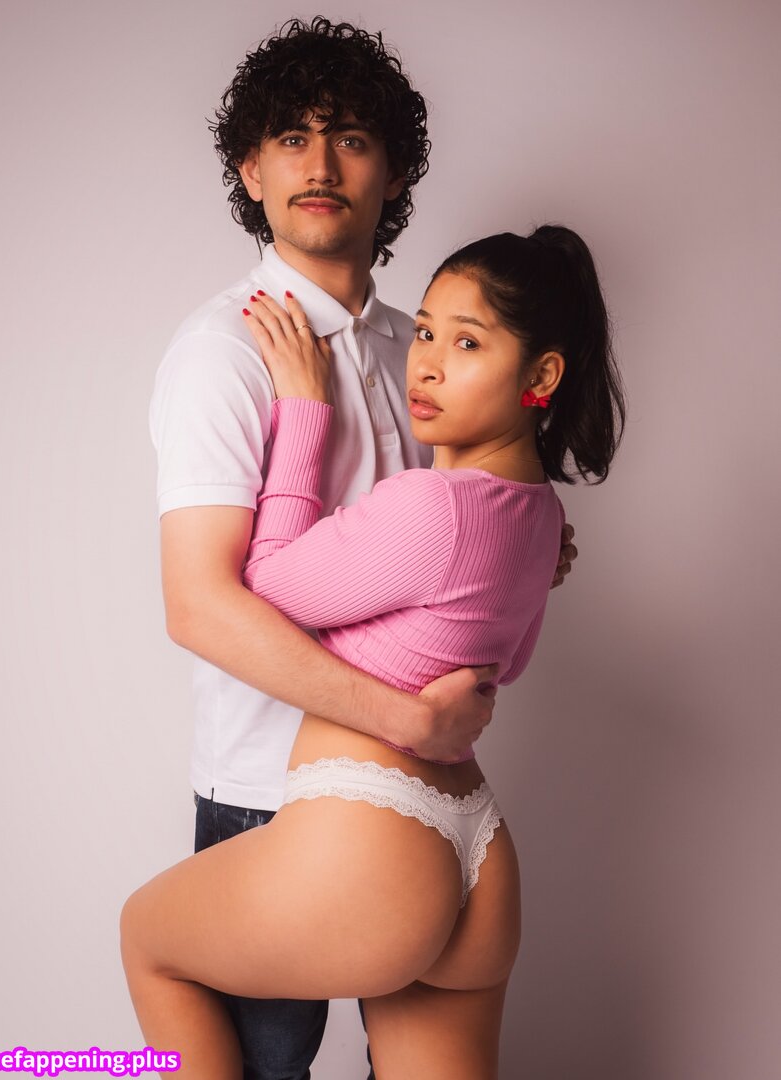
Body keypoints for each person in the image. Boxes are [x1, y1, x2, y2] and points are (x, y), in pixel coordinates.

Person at [148, 17, 577, 1078]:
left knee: (151, 948)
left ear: (393, 171)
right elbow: (201, 604)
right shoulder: (223, 351)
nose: (320, 165)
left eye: (348, 137)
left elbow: (453, 541)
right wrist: (406, 716)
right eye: (290, 138)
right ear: (250, 170)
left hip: (416, 799)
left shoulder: (418, 347)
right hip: (269, 784)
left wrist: (528, 552)